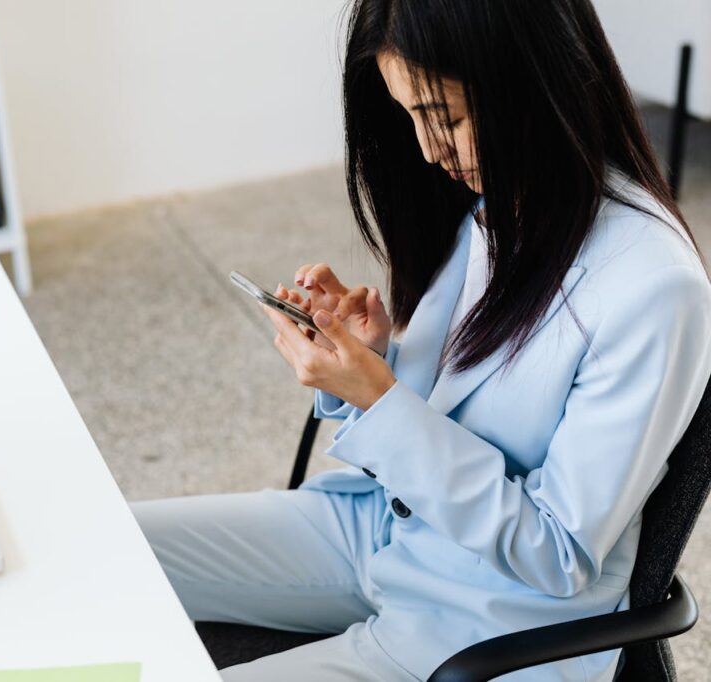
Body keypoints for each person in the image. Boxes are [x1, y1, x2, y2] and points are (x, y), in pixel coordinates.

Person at [132, 0, 711, 679]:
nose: (428, 150)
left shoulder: (653, 286)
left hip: (484, 617)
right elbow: (458, 419)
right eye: (412, 116)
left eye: (448, 119)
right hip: (383, 532)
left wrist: (380, 400)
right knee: (106, 545)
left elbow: (559, 554)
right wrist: (372, 362)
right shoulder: (506, 203)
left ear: (534, 84)